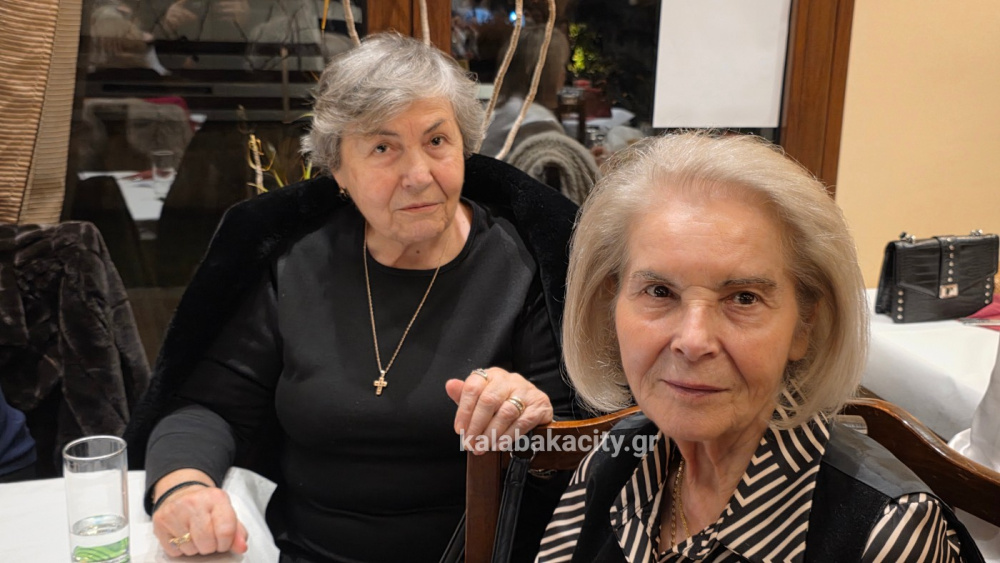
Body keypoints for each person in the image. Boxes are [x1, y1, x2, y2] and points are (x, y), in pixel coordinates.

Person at [123, 32, 580, 562]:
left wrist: (530, 413)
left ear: (464, 146)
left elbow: (576, 450)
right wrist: (184, 488)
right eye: (383, 148)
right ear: (338, 169)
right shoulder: (297, 263)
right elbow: (209, 407)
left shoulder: (521, 265)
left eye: (437, 141)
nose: (418, 176)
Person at [536, 132, 985, 562]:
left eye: (744, 298)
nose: (693, 341)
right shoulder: (614, 459)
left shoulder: (887, 534)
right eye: (659, 292)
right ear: (611, 304)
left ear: (805, 324)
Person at [480, 25, 598, 205]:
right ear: (544, 72)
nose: (563, 73)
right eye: (561, 65)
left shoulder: (496, 108)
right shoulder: (537, 122)